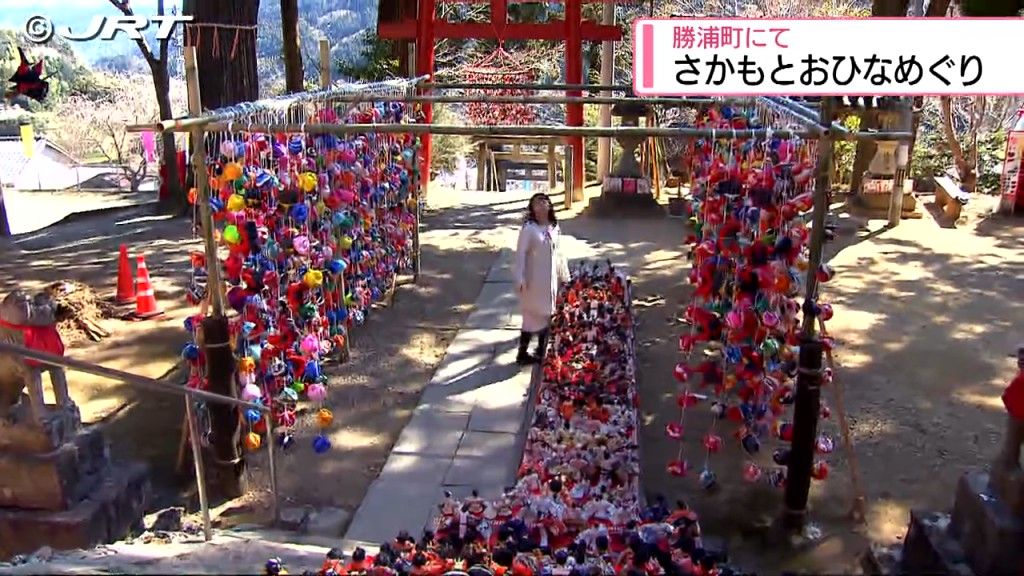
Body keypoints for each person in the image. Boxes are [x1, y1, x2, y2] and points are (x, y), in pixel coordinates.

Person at [514, 193, 570, 366]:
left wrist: (565, 276)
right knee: (530, 318)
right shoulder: (529, 228)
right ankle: (522, 353)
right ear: (532, 208)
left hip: (550, 279)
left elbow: (560, 254)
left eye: (545, 201)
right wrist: (520, 277)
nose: (542, 204)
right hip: (533, 280)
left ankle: (541, 350)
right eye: (537, 202)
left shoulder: (554, 227)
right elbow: (521, 253)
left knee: (547, 315)